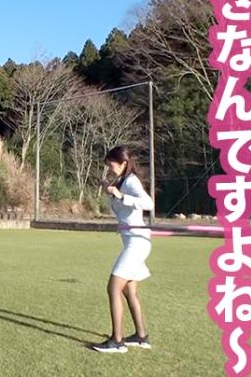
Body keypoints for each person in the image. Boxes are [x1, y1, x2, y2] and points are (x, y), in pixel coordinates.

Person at [92, 146, 154, 353]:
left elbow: (148, 203)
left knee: (113, 287)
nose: (109, 168)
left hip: (137, 242)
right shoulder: (121, 182)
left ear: (123, 163)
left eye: (111, 164)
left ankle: (117, 341)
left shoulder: (131, 181)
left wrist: (119, 194)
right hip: (133, 241)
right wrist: (109, 190)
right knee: (129, 290)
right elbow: (121, 207)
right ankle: (141, 337)